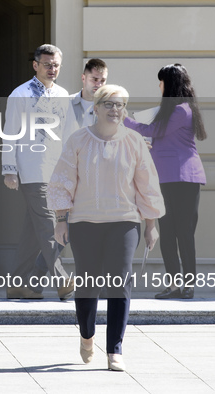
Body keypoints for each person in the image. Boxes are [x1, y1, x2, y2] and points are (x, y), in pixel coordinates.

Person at [48, 84, 165, 371]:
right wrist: (61, 220)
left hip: (124, 222)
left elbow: (147, 186)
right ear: (96, 108)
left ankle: (115, 349)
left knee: (119, 284)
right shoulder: (78, 140)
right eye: (109, 104)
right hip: (84, 222)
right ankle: (87, 336)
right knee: (88, 284)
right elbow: (63, 182)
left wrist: (151, 224)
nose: (115, 110)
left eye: (120, 105)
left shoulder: (135, 141)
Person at [124, 64, 207, 300]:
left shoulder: (181, 110)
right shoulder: (176, 109)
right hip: (166, 176)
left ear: (169, 84)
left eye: (161, 82)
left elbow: (154, 130)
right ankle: (174, 285)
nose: (159, 86)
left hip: (183, 177)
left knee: (184, 232)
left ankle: (187, 285)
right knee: (168, 233)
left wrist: (125, 120)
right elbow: (160, 137)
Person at [1, 44, 77, 300]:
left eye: (55, 64)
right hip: (31, 171)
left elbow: (69, 136)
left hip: (57, 173)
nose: (52, 69)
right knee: (49, 227)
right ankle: (62, 279)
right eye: (47, 64)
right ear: (35, 65)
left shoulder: (64, 94)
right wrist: (9, 169)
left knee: (33, 232)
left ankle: (19, 284)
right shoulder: (19, 94)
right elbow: (10, 132)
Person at [70, 58, 108, 128]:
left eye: (102, 80)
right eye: (95, 79)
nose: (99, 85)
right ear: (83, 78)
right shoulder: (67, 103)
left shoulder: (110, 106)